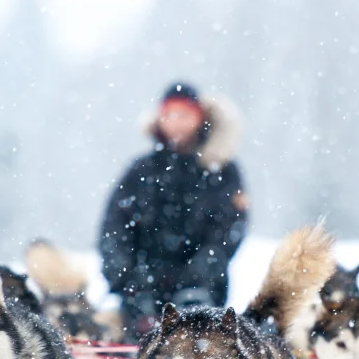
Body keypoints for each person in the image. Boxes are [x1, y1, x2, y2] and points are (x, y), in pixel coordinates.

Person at [100, 82, 248, 340]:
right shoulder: (141, 171)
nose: (177, 122)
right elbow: (114, 229)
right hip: (141, 298)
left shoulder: (222, 170)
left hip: (203, 295)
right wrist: (129, 280)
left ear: (200, 118)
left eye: (185, 114)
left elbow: (229, 230)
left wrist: (201, 273)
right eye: (170, 114)